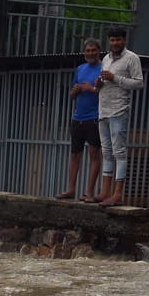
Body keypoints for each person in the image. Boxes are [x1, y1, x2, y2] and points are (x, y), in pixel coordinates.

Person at [96, 27, 144, 206]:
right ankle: (104, 192)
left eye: (118, 40)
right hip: (103, 110)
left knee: (119, 152)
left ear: (124, 40)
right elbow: (102, 83)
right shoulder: (106, 59)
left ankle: (117, 194)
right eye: (112, 40)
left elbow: (139, 84)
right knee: (106, 151)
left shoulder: (132, 58)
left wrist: (116, 78)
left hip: (119, 110)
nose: (115, 43)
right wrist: (99, 83)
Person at [57, 39, 105, 201]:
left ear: (99, 51)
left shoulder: (104, 69)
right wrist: (76, 91)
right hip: (78, 117)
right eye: (88, 51)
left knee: (94, 153)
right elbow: (71, 95)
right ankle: (70, 189)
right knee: (75, 154)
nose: (90, 53)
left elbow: (108, 94)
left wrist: (91, 89)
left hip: (95, 117)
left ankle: (89, 192)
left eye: (93, 50)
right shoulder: (80, 69)